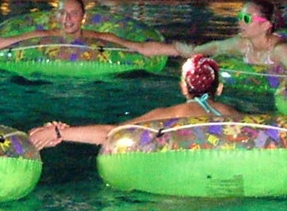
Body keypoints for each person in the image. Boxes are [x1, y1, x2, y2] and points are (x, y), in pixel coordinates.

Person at [31, 54, 243, 148]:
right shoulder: (236, 116)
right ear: (220, 88)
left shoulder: (167, 115)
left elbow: (112, 133)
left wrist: (59, 133)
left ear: (182, 87)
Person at [0, 0, 179, 57]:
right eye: (63, 13)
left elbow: (138, 47)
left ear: (83, 17)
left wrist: (183, 50)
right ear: (56, 16)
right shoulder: (41, 35)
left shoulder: (98, 38)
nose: (68, 19)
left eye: (74, 14)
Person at [173, 0, 287, 72]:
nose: (240, 21)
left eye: (247, 18)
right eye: (240, 16)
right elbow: (217, 47)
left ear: (265, 25)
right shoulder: (243, 43)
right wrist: (193, 52)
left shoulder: (280, 50)